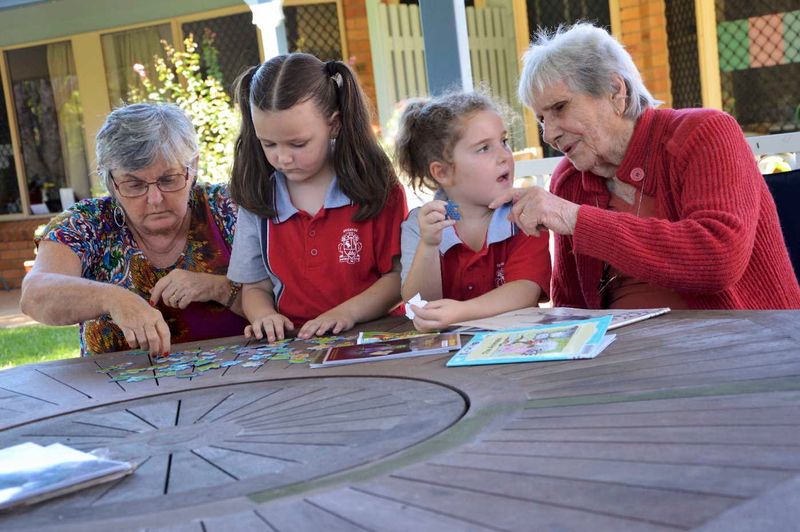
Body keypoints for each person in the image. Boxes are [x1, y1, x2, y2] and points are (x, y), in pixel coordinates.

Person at [490, 23, 800, 310]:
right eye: (541, 119)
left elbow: (718, 258)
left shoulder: (704, 133)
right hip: (627, 357)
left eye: (560, 107)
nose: (549, 134)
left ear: (615, 91)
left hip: (744, 348)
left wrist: (576, 219)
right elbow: (572, 309)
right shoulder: (569, 181)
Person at [20, 103, 248, 355]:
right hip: (119, 392)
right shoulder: (87, 223)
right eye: (133, 185)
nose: (154, 198)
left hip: (233, 383)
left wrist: (215, 287)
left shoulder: (229, 209)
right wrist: (112, 299)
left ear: (193, 167)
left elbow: (281, 299)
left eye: (168, 179)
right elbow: (34, 295)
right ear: (110, 182)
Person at [227, 53, 406, 342]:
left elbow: (398, 278)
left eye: (298, 143)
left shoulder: (376, 188)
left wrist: (344, 314)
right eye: (268, 143)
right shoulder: (258, 196)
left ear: (334, 124)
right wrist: (263, 316)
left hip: (377, 340)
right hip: (294, 348)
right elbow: (255, 285)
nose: (282, 157)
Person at [397, 92, 551, 331]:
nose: (504, 156)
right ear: (443, 173)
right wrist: (428, 245)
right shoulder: (421, 224)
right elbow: (420, 303)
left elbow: (525, 292)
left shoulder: (524, 213)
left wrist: (460, 312)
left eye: (504, 141)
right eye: (484, 148)